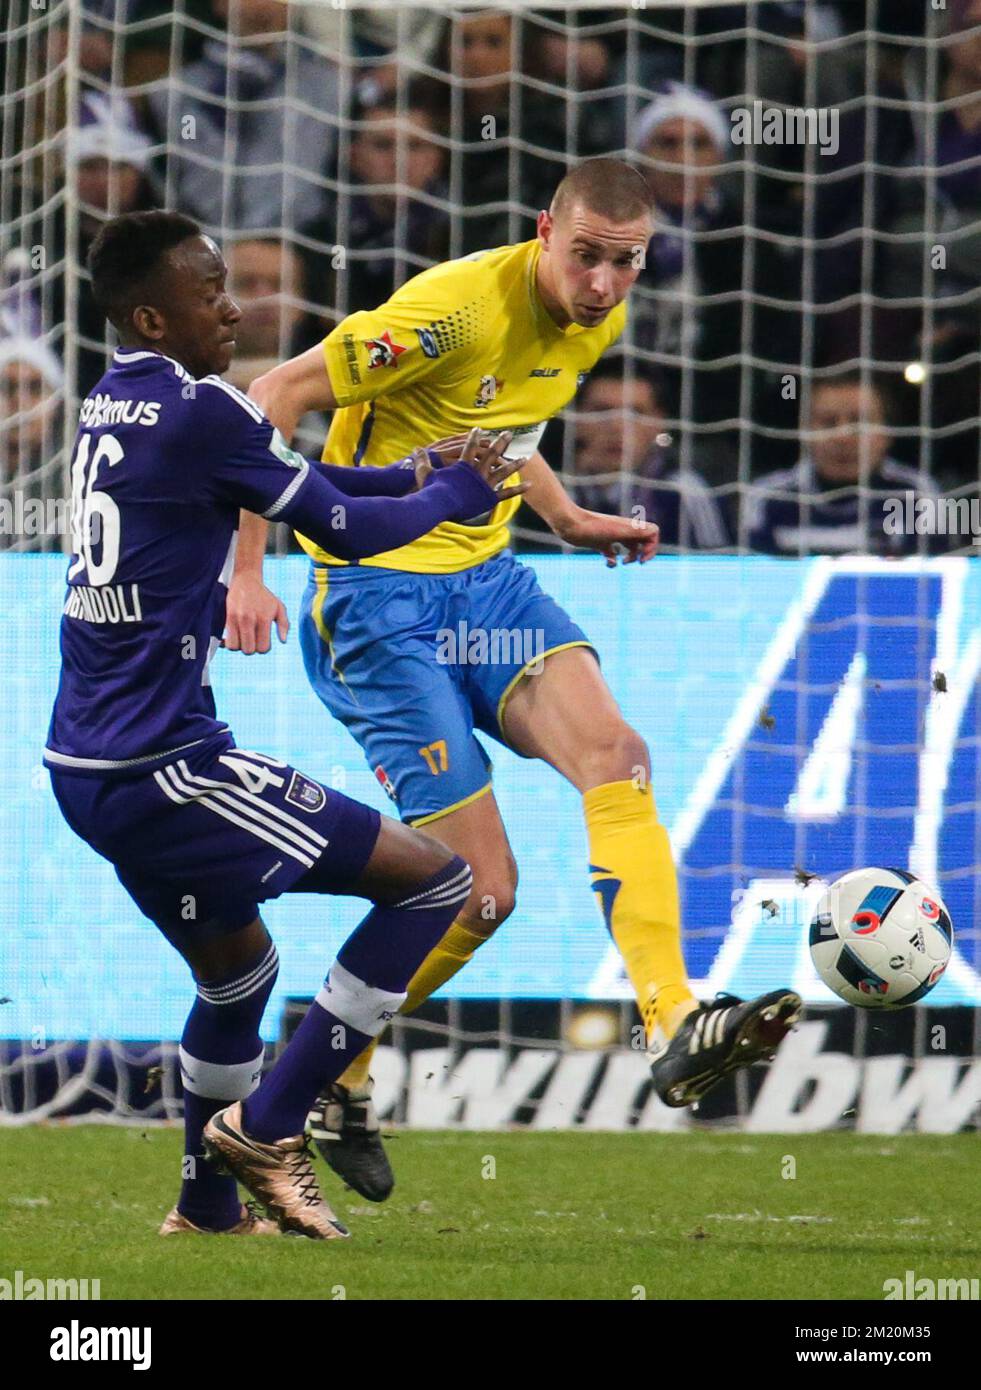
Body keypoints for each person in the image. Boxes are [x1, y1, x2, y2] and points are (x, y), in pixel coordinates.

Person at [226, 158, 802, 1201]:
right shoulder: (451, 312)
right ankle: (328, 1064)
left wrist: (570, 517)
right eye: (583, 256)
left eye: (623, 264)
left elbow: (502, 435)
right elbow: (275, 393)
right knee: (480, 893)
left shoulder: (601, 317)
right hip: (377, 597)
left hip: (488, 581)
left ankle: (675, 1021)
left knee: (618, 756)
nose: (599, 284)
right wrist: (250, 569)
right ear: (546, 230)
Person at [43, 209, 523, 1239]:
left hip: (86, 764)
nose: (234, 304)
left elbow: (311, 487)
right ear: (150, 315)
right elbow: (344, 529)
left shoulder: (116, 401)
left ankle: (207, 1206)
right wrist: (456, 490)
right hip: (163, 764)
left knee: (240, 971)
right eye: (208, 290)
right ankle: (268, 1126)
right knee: (437, 880)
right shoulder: (203, 410)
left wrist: (412, 473)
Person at [744, 372, 942, 556]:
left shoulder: (918, 495)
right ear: (804, 431)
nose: (843, 437)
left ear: (886, 433)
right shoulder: (766, 497)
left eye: (858, 422)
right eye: (829, 422)